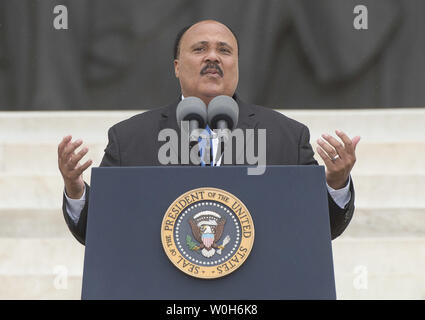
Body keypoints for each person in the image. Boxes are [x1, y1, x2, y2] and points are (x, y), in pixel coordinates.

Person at [58, 20, 360, 245]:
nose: (212, 57)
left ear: (236, 65)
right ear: (177, 66)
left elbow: (320, 231)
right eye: (200, 49)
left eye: (224, 51)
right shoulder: (130, 139)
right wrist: (75, 188)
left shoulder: (286, 137)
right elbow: (98, 233)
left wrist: (336, 182)